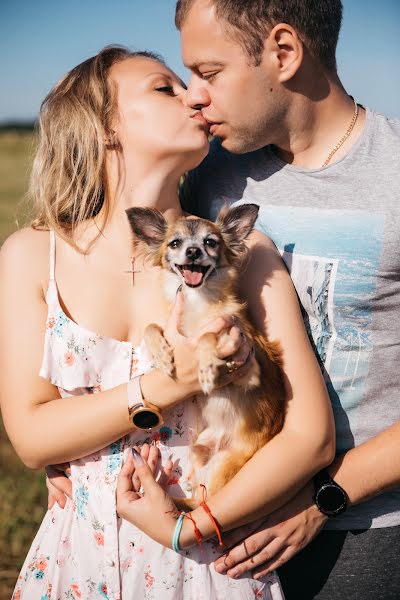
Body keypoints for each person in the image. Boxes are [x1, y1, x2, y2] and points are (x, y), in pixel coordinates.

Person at [0, 45, 334, 599]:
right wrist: (167, 383)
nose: (195, 95)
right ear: (103, 125)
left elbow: (309, 436)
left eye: (192, 84)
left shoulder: (245, 254)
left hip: (212, 553)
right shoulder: (34, 255)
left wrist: (189, 527)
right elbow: (33, 439)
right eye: (166, 88)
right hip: (81, 551)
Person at [167, 0, 400, 599]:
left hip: (361, 533)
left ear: (285, 51)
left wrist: (327, 495)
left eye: (209, 72)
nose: (193, 95)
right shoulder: (209, 174)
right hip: (215, 515)